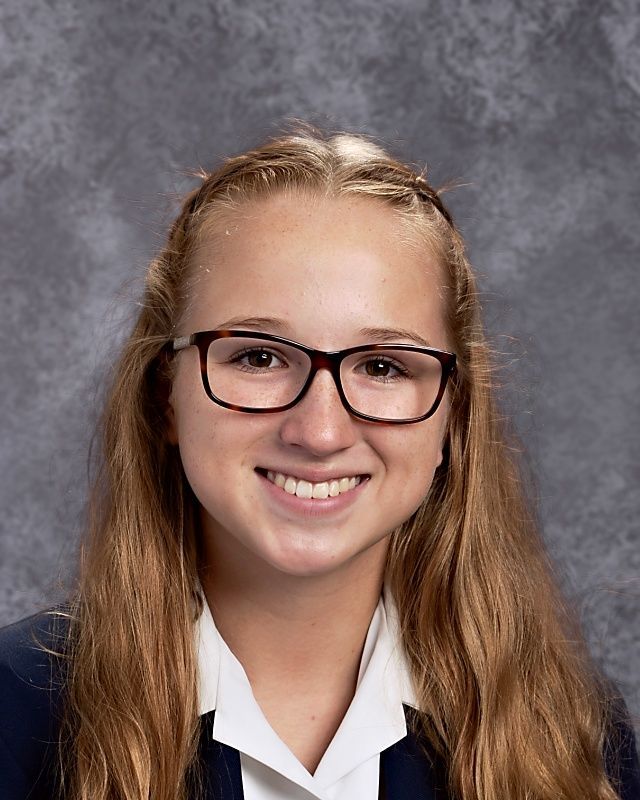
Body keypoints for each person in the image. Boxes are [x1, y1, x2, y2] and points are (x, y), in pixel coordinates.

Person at [0, 127, 638, 800]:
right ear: (165, 396)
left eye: (383, 366)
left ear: (455, 414)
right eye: (258, 356)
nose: (320, 430)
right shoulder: (16, 715)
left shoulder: (569, 734)